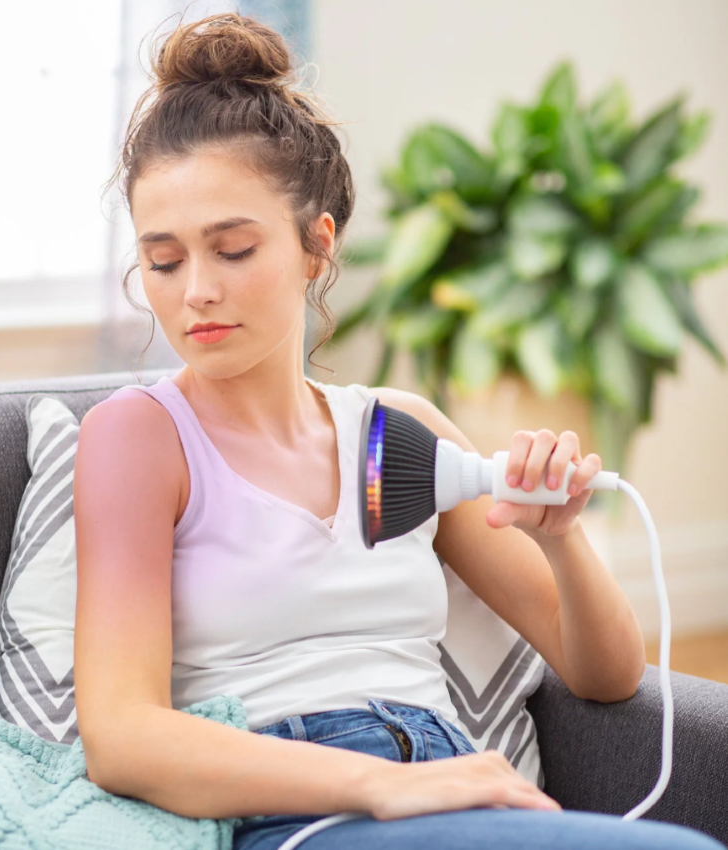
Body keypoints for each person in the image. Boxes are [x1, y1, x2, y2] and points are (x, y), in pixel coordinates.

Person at [71, 11, 725, 850]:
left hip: (452, 786)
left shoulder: (399, 435)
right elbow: (121, 737)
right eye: (162, 260)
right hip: (300, 811)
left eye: (232, 249)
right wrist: (385, 786)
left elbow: (606, 675)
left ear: (316, 247)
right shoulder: (141, 437)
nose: (194, 290)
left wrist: (562, 539)